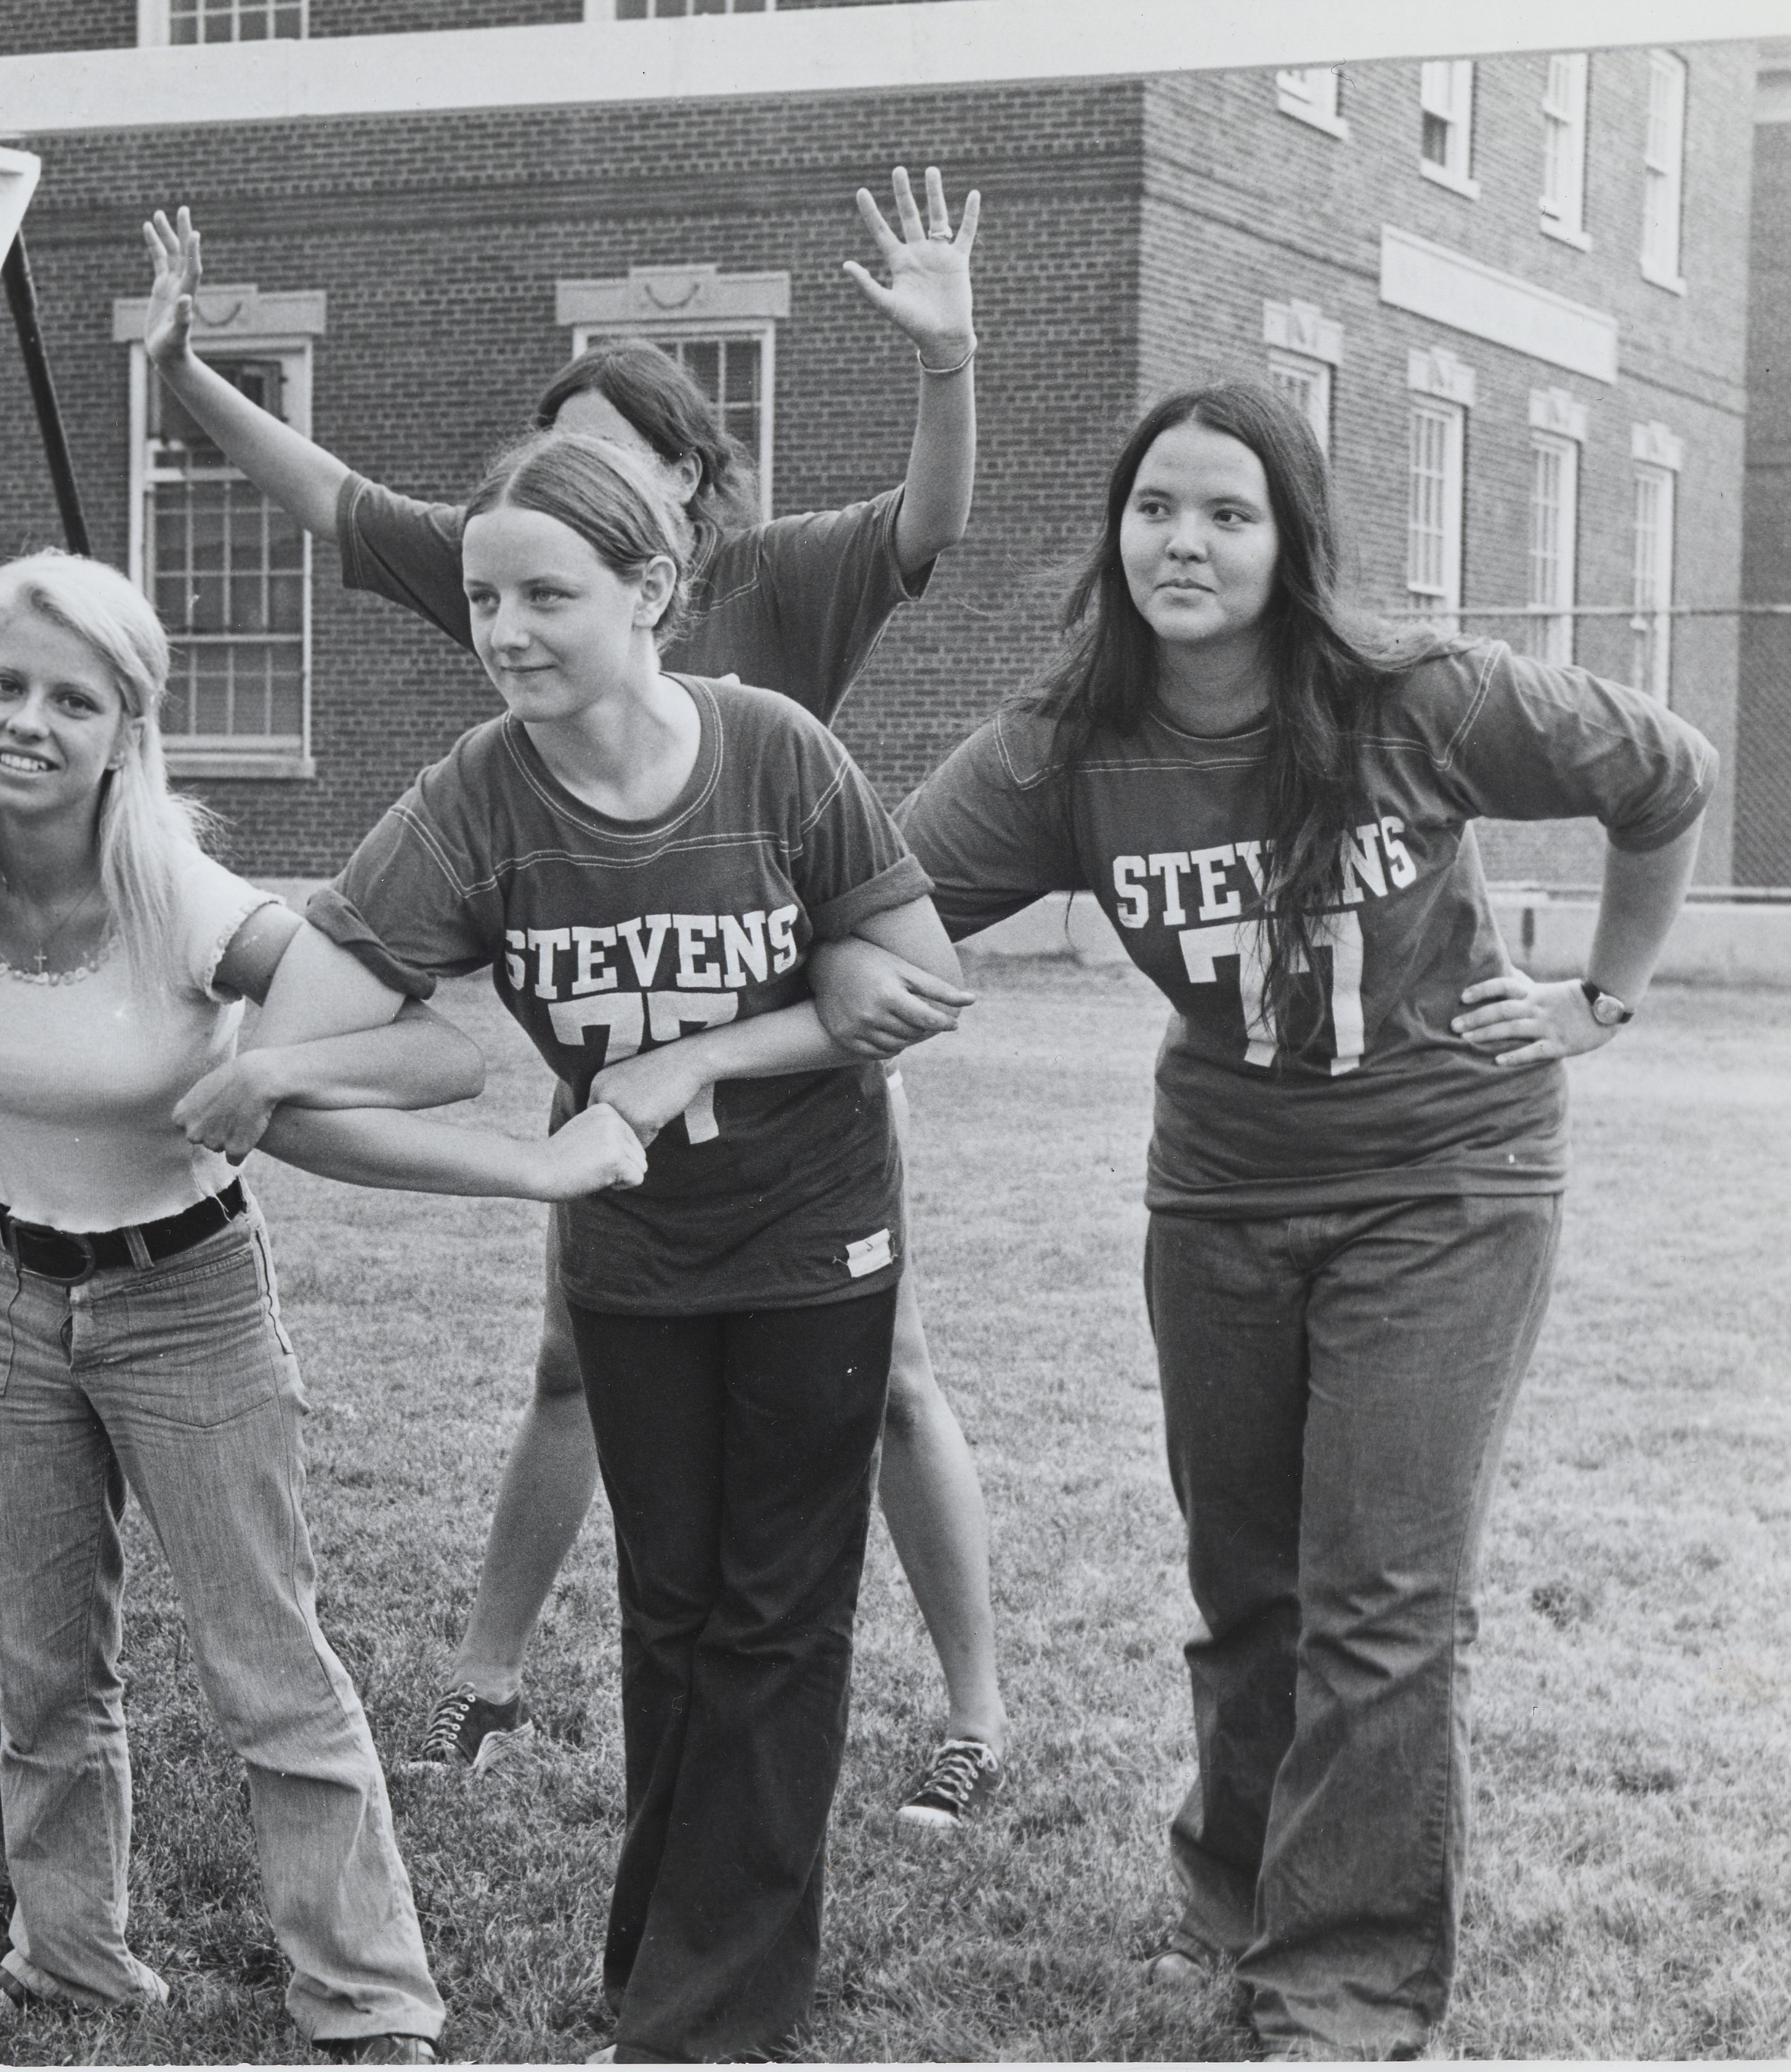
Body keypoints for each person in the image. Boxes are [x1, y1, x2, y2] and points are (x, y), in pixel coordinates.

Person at [143, 169, 1009, 1826]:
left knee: (884, 1379)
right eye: (505, 563)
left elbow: (932, 523)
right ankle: (486, 1680)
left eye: (612, 462)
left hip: (795, 1045)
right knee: (576, 1365)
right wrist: (185, 378)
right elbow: (332, 498)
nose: (529, 579)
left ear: (679, 505)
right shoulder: (518, 588)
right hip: (610, 1052)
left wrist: (946, 362)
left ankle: (971, 1711)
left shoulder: (776, 583)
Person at [862, 383, 1714, 2058]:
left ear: (1290, 539)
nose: (1182, 540)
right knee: (1243, 1581)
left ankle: (1342, 1984)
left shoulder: (1416, 698)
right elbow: (877, 903)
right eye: (1155, 507)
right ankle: (1235, 1893)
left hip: (1441, 1186)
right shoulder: (1064, 741)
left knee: (1380, 1597)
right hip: (1223, 1195)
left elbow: (1663, 777)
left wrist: (1601, 999)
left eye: (1226, 512)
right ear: (1115, 533)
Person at [0, 550, 642, 2056]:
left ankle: (368, 2005)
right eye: (2, 687)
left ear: (126, 735)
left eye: (71, 700)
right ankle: (69, 1955)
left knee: (266, 1669)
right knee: (37, 1670)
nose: (27, 721)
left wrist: (268, 1064)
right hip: (5, 1295)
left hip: (184, 1298)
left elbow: (437, 1054)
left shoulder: (188, 903)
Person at [298, 430, 970, 2062]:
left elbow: (920, 978)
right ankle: (664, 1983)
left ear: (652, 590)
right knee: (673, 1611)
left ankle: (703, 2023)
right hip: (632, 1254)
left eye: (547, 594)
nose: (507, 632)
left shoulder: (771, 751)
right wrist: (486, 1153)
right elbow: (299, 1043)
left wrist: (703, 1054)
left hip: (812, 1235)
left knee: (778, 1614)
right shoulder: (471, 799)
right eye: (480, 599)